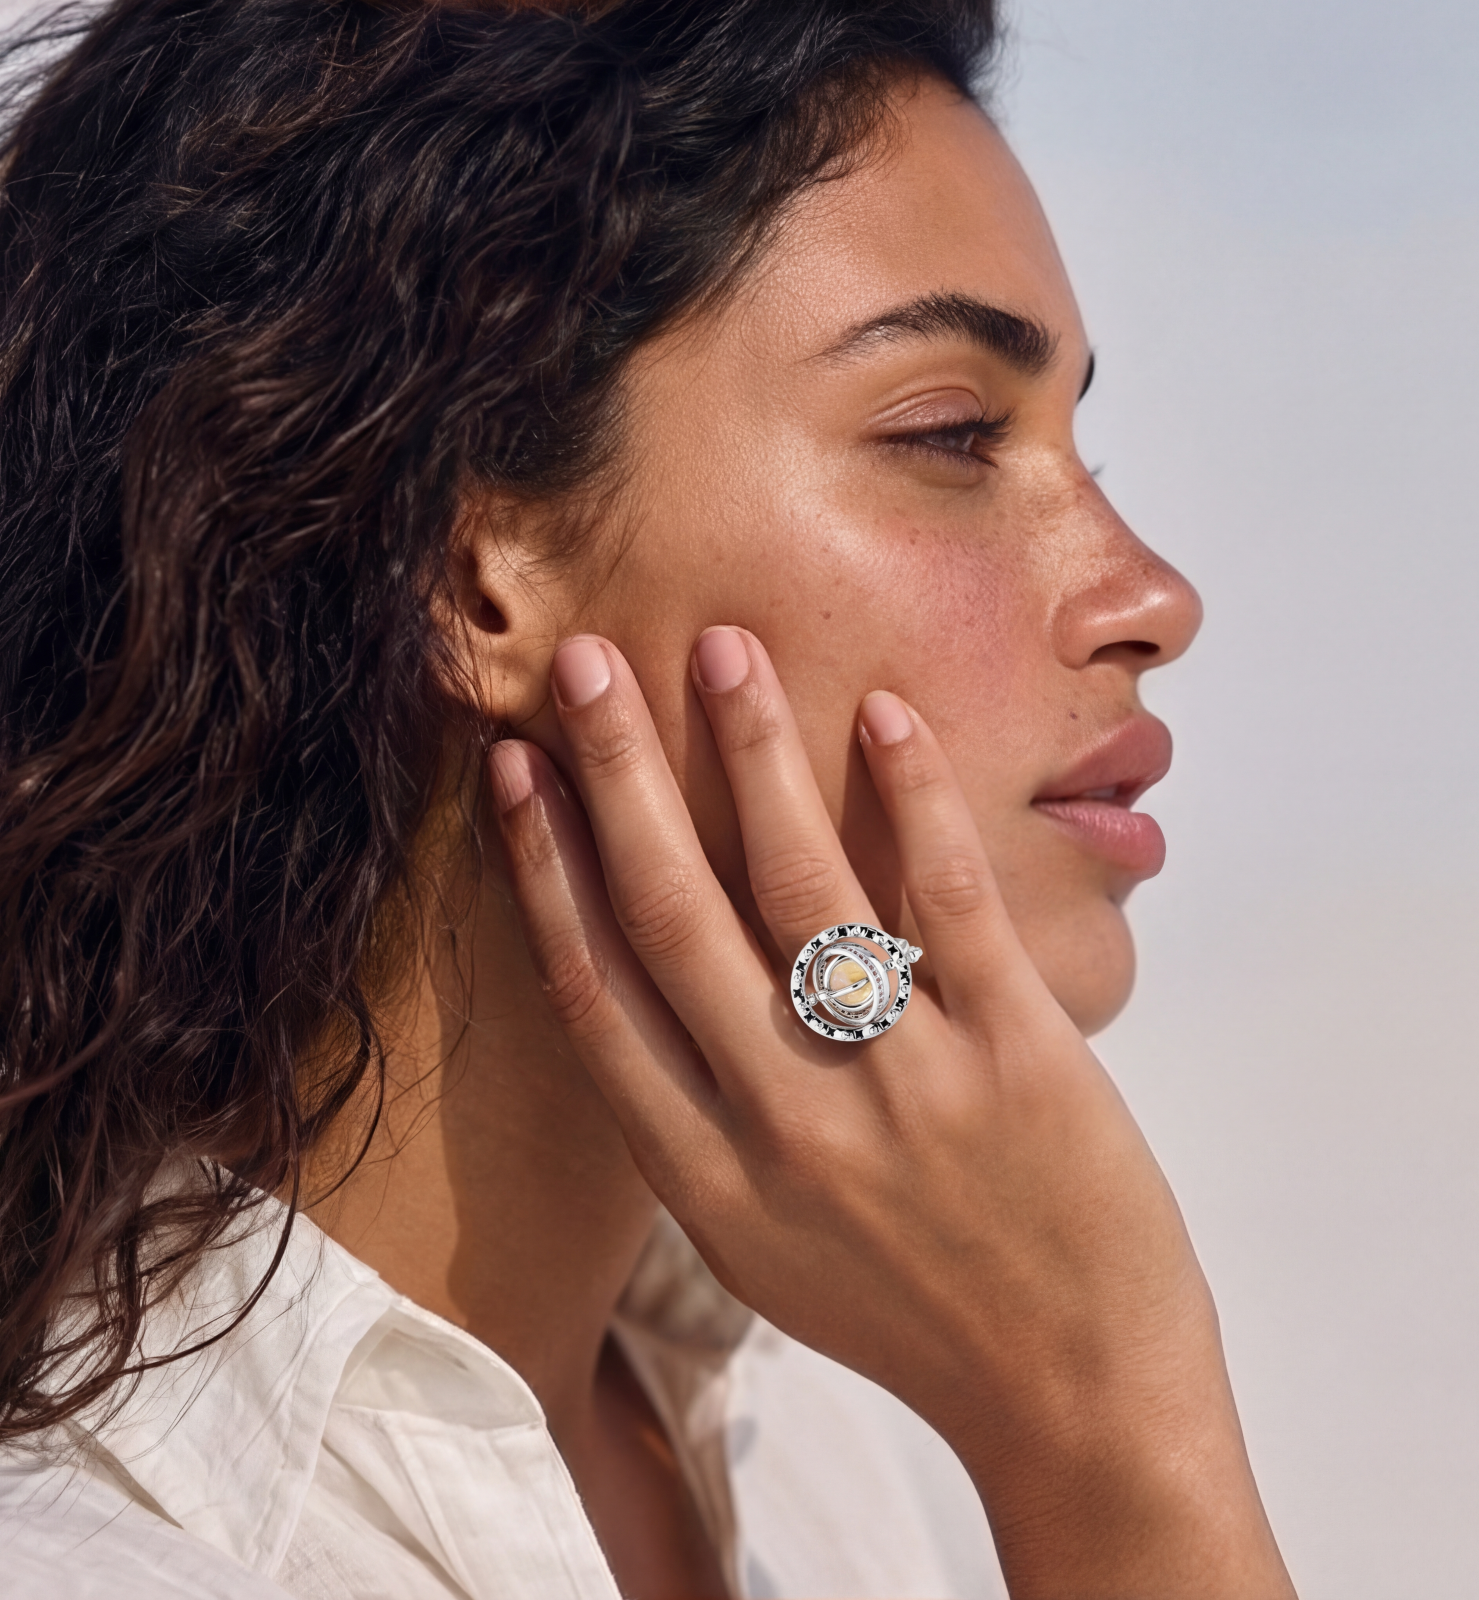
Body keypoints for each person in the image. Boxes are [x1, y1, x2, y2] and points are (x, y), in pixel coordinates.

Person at [0, 0, 1297, 1595]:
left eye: (1074, 443)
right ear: (479, 580)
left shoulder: (795, 1424)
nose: (1149, 595)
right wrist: (1110, 1443)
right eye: (952, 433)